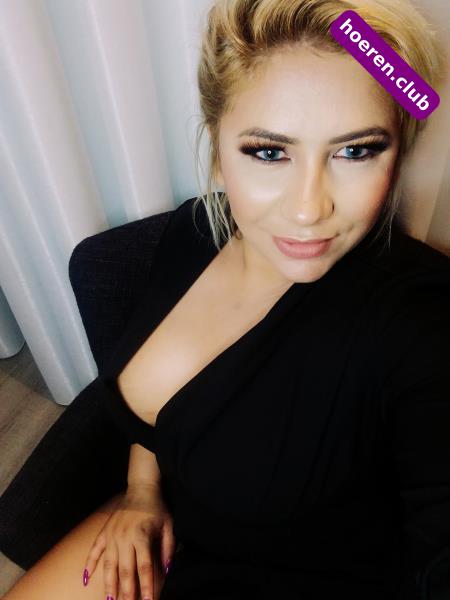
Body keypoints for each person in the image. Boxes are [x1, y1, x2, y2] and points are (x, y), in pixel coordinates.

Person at [3, 0, 449, 599]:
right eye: (269, 152)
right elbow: (153, 415)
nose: (308, 209)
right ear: (217, 151)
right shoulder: (193, 234)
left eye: (355, 151)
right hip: (174, 528)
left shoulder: (420, 319)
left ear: (395, 157)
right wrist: (142, 491)